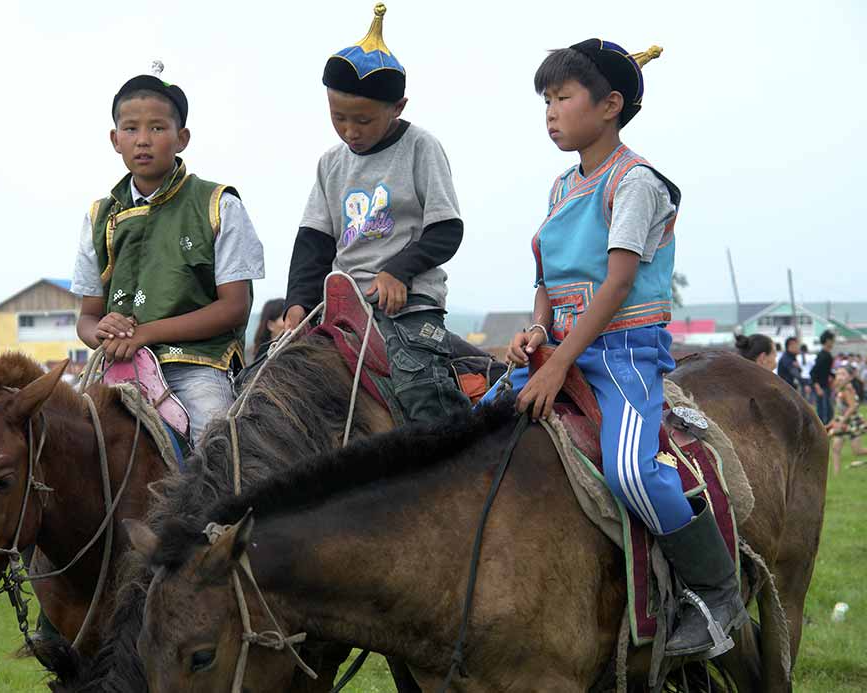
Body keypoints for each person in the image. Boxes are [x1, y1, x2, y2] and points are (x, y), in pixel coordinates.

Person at [505, 40, 746, 660]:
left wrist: (559, 362)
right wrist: (537, 331)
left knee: (631, 471)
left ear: (610, 105)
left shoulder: (635, 182)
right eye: (546, 101)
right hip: (561, 345)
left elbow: (615, 284)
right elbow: (546, 280)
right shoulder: (562, 186)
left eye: (562, 98)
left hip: (621, 356)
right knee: (479, 423)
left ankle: (717, 595)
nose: (550, 112)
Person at [283, 4, 471, 424]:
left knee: (421, 388)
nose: (350, 131)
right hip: (343, 304)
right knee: (273, 382)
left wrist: (398, 271)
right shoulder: (331, 163)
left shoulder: (422, 148)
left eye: (363, 120)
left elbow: (446, 230)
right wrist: (297, 303)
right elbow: (313, 243)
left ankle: (454, 463)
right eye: (339, 118)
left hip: (408, 304)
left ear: (398, 107)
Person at [71, 66, 265, 446]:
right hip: (117, 366)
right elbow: (87, 318)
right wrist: (104, 332)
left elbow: (234, 308)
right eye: (130, 129)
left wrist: (144, 334)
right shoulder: (99, 216)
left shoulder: (217, 204)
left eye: (157, 128)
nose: (143, 140)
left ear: (182, 138)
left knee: (217, 450)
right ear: (115, 139)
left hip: (195, 366)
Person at [827, 366, 866, 474]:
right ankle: (836, 474)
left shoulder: (847, 388)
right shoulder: (840, 388)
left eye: (843, 374)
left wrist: (841, 422)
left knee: (857, 451)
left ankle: (836, 473)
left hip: (851, 422)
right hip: (843, 420)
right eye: (838, 374)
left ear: (849, 377)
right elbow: (839, 409)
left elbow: (852, 407)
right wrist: (833, 422)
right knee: (835, 448)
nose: (839, 377)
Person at [810, 331, 836, 424]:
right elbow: (813, 372)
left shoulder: (827, 355)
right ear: (828, 341)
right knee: (823, 414)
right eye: (832, 340)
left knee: (829, 412)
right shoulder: (823, 355)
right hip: (821, 387)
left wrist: (833, 376)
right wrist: (817, 387)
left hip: (826, 386)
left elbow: (826, 371)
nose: (833, 343)